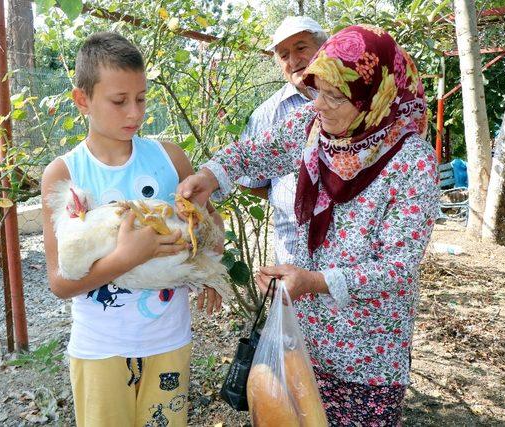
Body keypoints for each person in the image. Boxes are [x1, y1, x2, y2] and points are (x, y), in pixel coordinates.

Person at [178, 25, 437, 424]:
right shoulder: (311, 127)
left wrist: (314, 281)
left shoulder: (412, 162)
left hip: (366, 347)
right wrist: (210, 177)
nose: (319, 104)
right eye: (317, 90)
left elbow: (398, 265)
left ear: (374, 98)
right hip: (305, 336)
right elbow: (252, 153)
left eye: (335, 96)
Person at [41, 32, 222, 427]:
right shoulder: (65, 174)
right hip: (100, 347)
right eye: (119, 101)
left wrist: (206, 266)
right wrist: (127, 258)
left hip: (168, 340)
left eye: (141, 98)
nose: (134, 113)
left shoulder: (169, 157)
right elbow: (60, 283)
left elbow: (210, 229)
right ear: (82, 100)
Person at [238, 16, 327, 265]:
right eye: (284, 55)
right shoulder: (267, 114)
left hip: (347, 263)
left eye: (301, 48)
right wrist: (288, 196)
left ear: (323, 48)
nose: (293, 60)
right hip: (292, 257)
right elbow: (248, 180)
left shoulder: (353, 99)